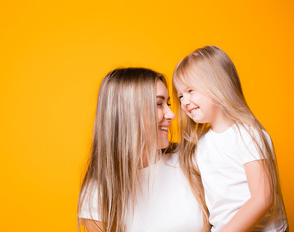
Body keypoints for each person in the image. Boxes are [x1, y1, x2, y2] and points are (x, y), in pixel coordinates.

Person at [77, 67, 209, 232]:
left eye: (167, 103)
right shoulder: (97, 194)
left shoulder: (191, 158)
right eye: (159, 104)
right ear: (128, 112)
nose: (171, 114)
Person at [172, 45, 288, 231]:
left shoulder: (248, 135)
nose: (184, 101)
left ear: (218, 84)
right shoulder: (201, 146)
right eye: (180, 96)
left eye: (191, 91)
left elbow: (262, 198)